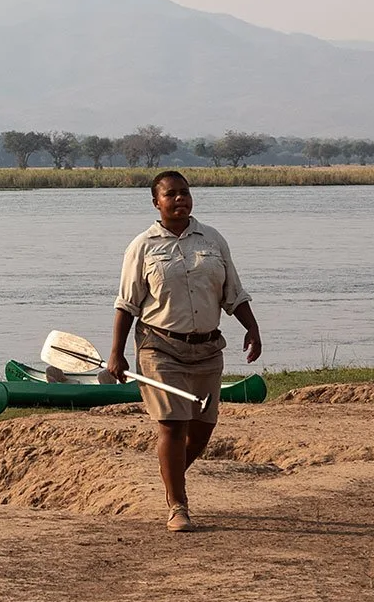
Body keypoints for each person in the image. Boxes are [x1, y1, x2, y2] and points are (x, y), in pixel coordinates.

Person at [104, 170, 262, 533]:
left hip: (207, 348)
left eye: (185, 193)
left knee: (202, 429)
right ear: (156, 202)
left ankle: (169, 476)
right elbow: (126, 304)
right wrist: (117, 352)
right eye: (171, 194)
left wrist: (252, 327)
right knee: (173, 425)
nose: (180, 200)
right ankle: (178, 504)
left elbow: (233, 292)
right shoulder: (142, 246)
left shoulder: (213, 239)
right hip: (160, 347)